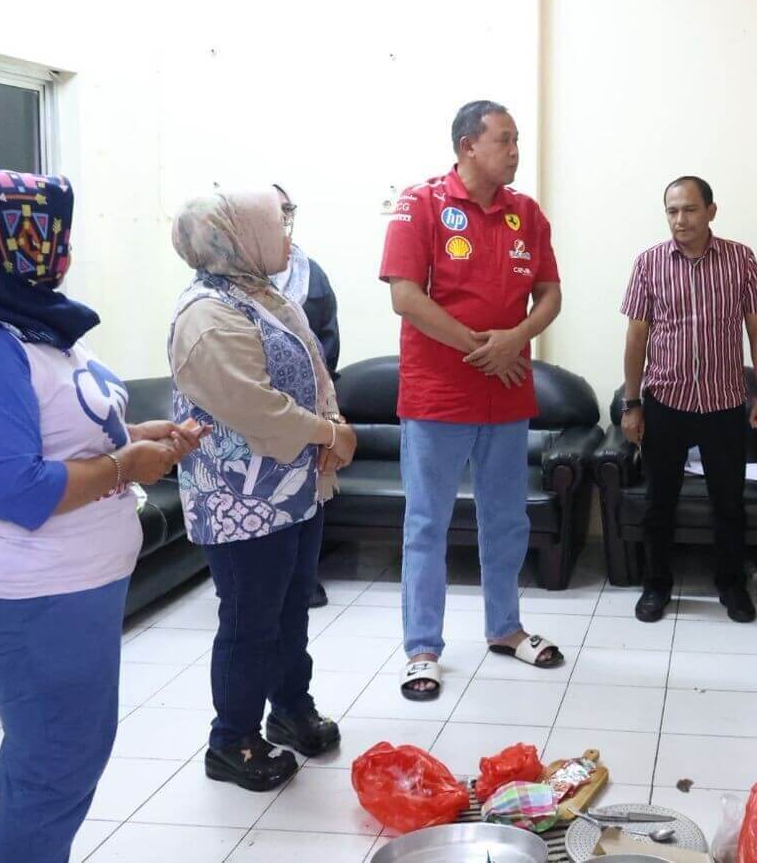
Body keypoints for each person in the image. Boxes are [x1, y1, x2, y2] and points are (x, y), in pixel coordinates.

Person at [0, 171, 201, 863]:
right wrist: (127, 466)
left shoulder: (27, 325)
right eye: (42, 235)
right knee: (57, 764)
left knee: (55, 756)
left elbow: (57, 432)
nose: (61, 250)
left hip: (66, 586)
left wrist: (134, 436)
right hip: (30, 592)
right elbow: (15, 492)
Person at [379, 100, 566, 699]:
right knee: (427, 524)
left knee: (507, 519)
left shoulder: (526, 213)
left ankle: (505, 628)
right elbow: (405, 297)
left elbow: (550, 294)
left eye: (516, 140)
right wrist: (480, 346)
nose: (514, 151)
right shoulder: (421, 204)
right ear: (468, 146)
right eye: (504, 140)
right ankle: (422, 649)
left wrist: (515, 339)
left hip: (506, 395)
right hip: (437, 396)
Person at [170, 188, 354, 790]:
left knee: (291, 608)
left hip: (292, 489)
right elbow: (256, 407)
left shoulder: (258, 293)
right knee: (250, 621)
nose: (287, 234)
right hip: (240, 501)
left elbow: (312, 373)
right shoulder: (206, 314)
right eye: (277, 223)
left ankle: (290, 710)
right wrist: (329, 433)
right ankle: (232, 741)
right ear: (237, 236)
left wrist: (332, 423)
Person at [622, 176, 757, 624]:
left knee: (728, 502)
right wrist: (632, 403)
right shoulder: (649, 262)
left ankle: (731, 584)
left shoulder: (740, 258)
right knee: (659, 502)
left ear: (711, 211)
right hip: (665, 400)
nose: (680, 219)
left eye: (689, 209)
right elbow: (636, 337)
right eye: (672, 211)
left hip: (723, 401)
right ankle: (656, 585)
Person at [270, 185, 343, 609]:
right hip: (256, 408)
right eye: (274, 211)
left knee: (310, 493)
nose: (283, 219)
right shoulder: (231, 279)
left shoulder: (310, 273)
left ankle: (306, 578)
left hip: (308, 406)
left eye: (288, 210)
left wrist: (317, 397)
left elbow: (328, 338)